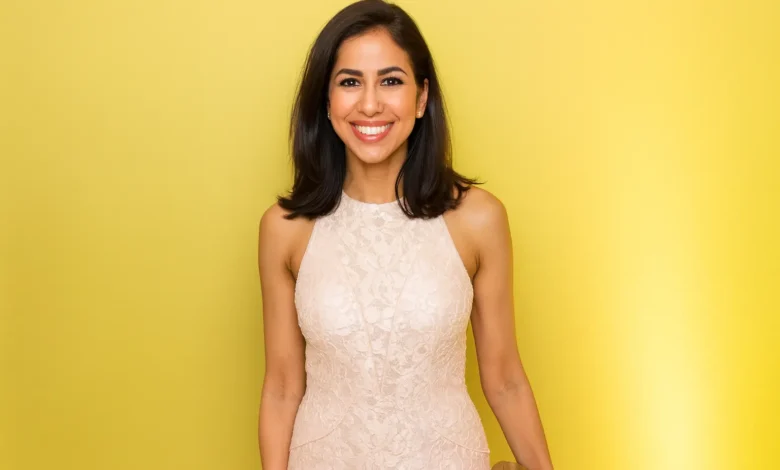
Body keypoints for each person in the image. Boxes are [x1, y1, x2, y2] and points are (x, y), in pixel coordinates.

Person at [257, 1, 553, 468]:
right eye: (349, 81)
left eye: (391, 81)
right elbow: (281, 388)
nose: (369, 103)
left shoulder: (478, 218)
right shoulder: (284, 228)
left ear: (420, 99)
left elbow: (505, 378)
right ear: (326, 101)